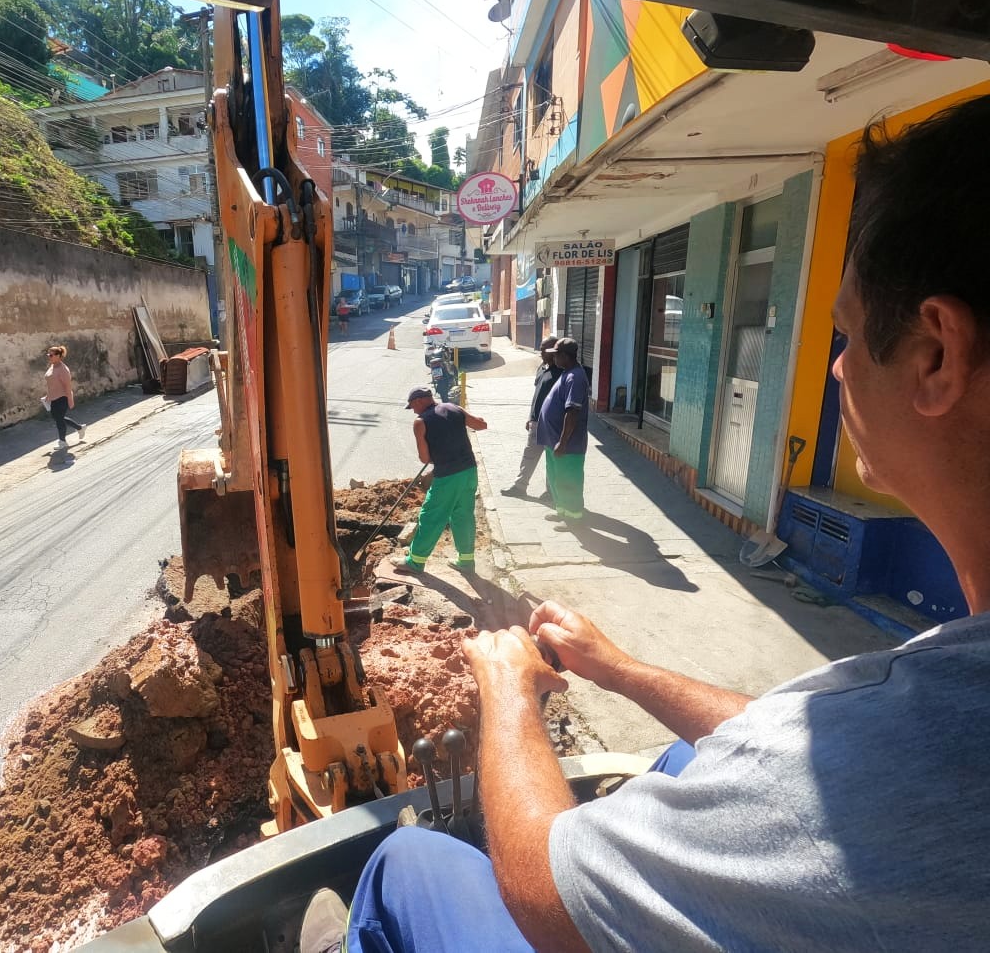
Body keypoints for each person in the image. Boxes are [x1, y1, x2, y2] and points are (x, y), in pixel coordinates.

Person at [302, 96, 990, 953]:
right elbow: (804, 745)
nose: (840, 366)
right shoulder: (933, 694)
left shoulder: (927, 717)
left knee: (403, 859)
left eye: (845, 333)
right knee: (672, 764)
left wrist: (508, 696)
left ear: (934, 355)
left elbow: (547, 893)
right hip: (486, 473)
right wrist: (622, 672)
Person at [396, 386, 488, 575]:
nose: (413, 410)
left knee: (431, 516)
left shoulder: (420, 422)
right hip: (469, 471)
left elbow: (424, 458)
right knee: (463, 515)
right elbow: (481, 425)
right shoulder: (455, 408)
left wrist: (438, 451)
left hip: (448, 476)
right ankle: (466, 561)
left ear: (420, 401)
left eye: (412, 406)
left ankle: (415, 562)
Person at [501, 335, 561, 498]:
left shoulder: (561, 372)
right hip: (536, 422)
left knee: (551, 458)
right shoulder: (542, 368)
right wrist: (530, 416)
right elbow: (537, 394)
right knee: (529, 455)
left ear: (553, 351)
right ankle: (519, 487)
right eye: (540, 349)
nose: (541, 353)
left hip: (551, 424)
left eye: (544, 350)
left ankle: (551, 492)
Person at [536, 337, 589, 524]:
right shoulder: (567, 373)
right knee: (557, 479)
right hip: (553, 441)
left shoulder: (575, 377)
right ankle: (562, 512)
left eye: (556, 355)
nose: (553, 359)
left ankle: (574, 519)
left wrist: (563, 442)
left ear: (565, 356)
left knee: (569, 481)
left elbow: (572, 412)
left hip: (567, 445)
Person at [42, 345, 85, 451]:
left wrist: (70, 399)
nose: (49, 356)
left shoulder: (63, 369)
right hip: (53, 398)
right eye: (48, 354)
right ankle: (80, 428)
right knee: (57, 418)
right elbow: (51, 383)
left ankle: (62, 441)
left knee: (59, 420)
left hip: (62, 398)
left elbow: (67, 386)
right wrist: (48, 395)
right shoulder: (53, 366)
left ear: (58, 356)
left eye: (51, 355)